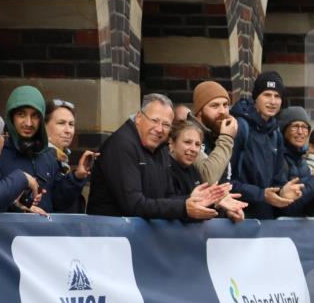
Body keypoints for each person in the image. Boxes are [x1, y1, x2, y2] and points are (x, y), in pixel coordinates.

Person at [87, 93, 228, 219]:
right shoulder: (122, 145)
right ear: (139, 118)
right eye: (154, 120)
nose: (159, 129)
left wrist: (199, 200)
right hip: (111, 238)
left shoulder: (159, 147)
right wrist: (184, 207)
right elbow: (134, 205)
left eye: (166, 124)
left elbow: (167, 197)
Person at [0, 85, 90, 213]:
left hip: (44, 231)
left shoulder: (48, 155)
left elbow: (59, 202)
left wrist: (77, 177)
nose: (28, 123)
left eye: (35, 116)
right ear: (11, 117)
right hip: (8, 232)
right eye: (21, 114)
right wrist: (16, 204)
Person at [229, 71, 303, 219]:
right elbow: (226, 182)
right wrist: (260, 194)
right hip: (237, 216)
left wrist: (283, 191)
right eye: (267, 95)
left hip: (266, 219)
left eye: (277, 96)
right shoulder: (239, 127)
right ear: (256, 97)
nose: (273, 101)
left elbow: (277, 180)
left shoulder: (275, 134)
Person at [167, 120, 247, 221]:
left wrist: (225, 210)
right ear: (171, 143)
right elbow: (165, 205)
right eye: (187, 142)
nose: (193, 149)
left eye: (197, 144)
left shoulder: (193, 170)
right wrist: (193, 199)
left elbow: (203, 209)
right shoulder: (163, 168)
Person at [45, 99, 93, 213]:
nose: (68, 131)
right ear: (44, 126)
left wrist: (78, 175)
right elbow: (57, 201)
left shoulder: (61, 156)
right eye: (61, 123)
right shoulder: (42, 157)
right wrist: (76, 178)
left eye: (71, 124)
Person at [275, 106, 314, 217]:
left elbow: (310, 211)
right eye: (295, 126)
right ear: (284, 129)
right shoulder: (277, 159)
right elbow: (288, 207)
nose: (300, 132)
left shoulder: (303, 163)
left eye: (305, 127)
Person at [190, 81, 238, 185]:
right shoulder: (189, 135)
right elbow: (209, 178)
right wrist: (226, 138)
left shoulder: (219, 131)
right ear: (200, 111)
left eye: (225, 105)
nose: (223, 111)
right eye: (214, 106)